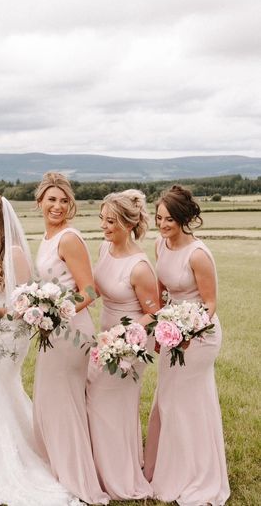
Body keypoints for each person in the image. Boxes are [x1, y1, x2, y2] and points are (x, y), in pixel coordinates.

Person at [0, 192, 81, 506]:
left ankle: (7, 462)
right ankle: (1, 451)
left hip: (7, 338)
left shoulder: (14, 253)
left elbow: (21, 307)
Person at [144, 185, 230, 506]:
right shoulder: (160, 245)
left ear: (182, 218)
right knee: (167, 397)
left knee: (188, 401)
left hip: (200, 334)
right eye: (158, 218)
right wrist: (160, 330)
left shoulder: (198, 254)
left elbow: (210, 304)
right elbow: (164, 292)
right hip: (171, 332)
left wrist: (189, 330)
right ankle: (165, 467)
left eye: (168, 219)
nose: (162, 224)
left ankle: (198, 475)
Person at [32, 172, 109, 505]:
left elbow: (90, 290)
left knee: (63, 404)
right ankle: (59, 469)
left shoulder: (69, 239)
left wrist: (55, 312)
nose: (58, 206)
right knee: (50, 402)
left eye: (64, 200)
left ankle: (77, 479)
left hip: (71, 331)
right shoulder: (47, 238)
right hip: (54, 330)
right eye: (52, 199)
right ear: (40, 202)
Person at [86, 189, 158, 500]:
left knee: (109, 405)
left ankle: (120, 476)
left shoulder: (140, 267)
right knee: (95, 402)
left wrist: (122, 338)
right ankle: (100, 471)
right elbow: (95, 290)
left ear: (128, 224)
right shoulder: (104, 249)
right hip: (104, 338)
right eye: (102, 219)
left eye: (111, 221)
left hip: (128, 344)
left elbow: (154, 312)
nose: (104, 226)